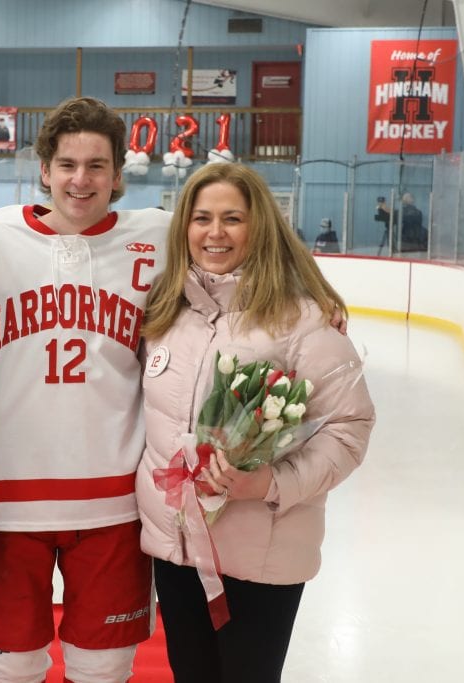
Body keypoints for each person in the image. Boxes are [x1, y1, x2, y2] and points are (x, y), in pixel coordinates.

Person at [136, 162, 375, 682]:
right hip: (175, 550)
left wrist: (269, 483)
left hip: (261, 557)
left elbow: (349, 428)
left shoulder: (302, 320)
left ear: (259, 226)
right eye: (201, 218)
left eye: (232, 219)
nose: (215, 232)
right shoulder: (165, 312)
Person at [0, 96, 171, 682]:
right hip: (5, 497)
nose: (81, 180)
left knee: (104, 666)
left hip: (115, 498)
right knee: (7, 667)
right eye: (68, 165)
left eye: (97, 166)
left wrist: (314, 302)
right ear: (45, 170)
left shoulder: (158, 236)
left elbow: (234, 275)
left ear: (118, 174)